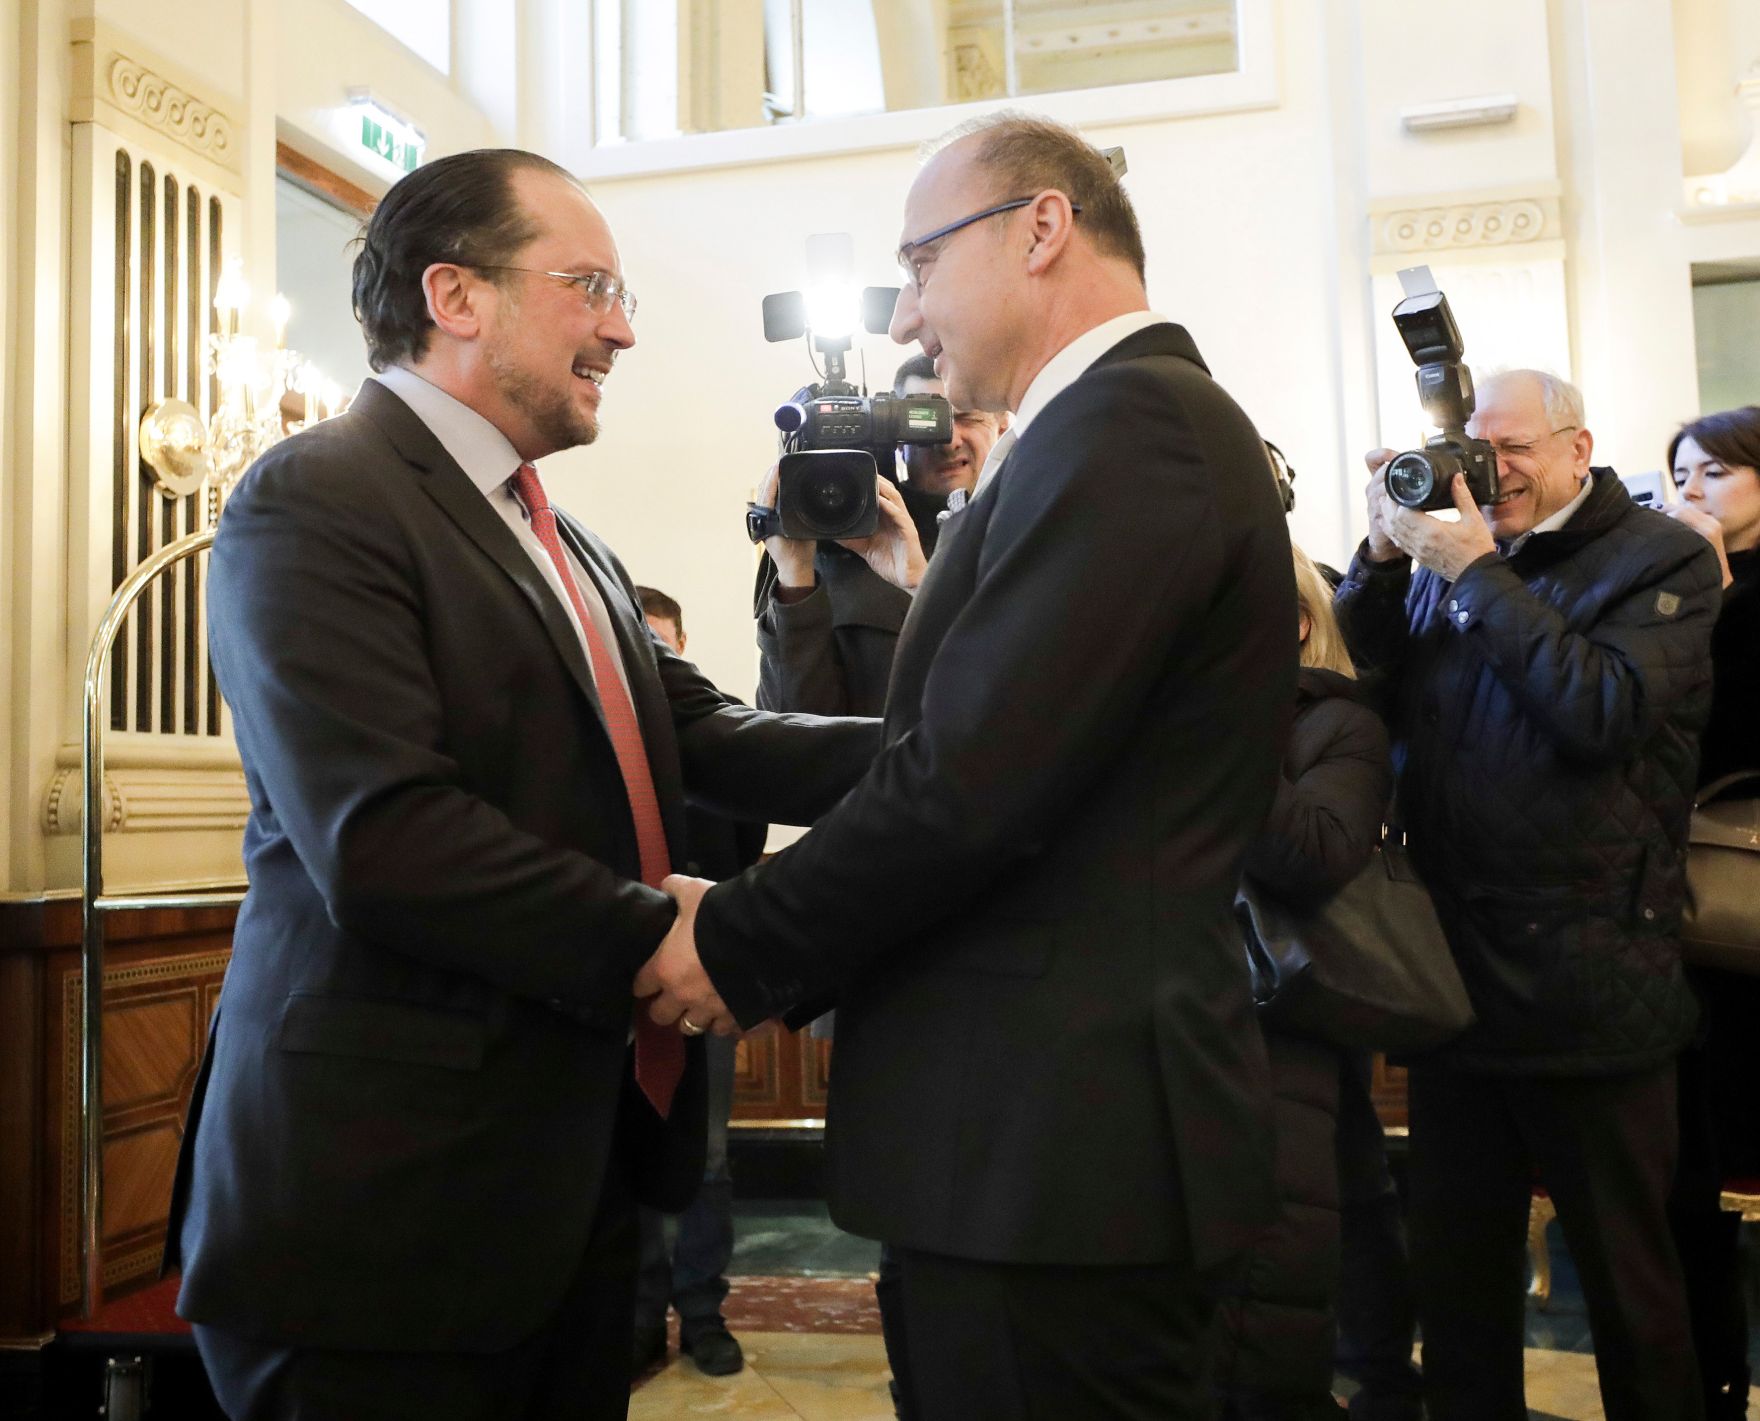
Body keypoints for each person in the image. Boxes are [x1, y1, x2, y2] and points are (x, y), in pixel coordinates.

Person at [164, 148, 878, 1421]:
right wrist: (674, 935)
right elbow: (384, 837)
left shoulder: (567, 541)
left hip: (561, 1184)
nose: (623, 326)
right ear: (456, 295)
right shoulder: (316, 497)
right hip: (381, 1211)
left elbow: (704, 729)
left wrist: (962, 749)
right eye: (592, 284)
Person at [640, 111, 1298, 1419]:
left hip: (1061, 1149)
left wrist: (738, 941)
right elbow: (945, 747)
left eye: (921, 266)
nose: (903, 325)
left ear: (1041, 226)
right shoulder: (1103, 432)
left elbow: (972, 784)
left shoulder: (1134, 429)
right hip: (1029, 1142)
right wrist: (686, 720)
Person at [1334, 368, 1721, 1421]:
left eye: (1510, 449)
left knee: (1627, 1288)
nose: (1486, 471)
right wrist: (1377, 559)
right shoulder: (1447, 559)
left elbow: (1598, 712)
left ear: (1574, 449)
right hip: (1449, 975)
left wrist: (1472, 570)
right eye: (1473, 449)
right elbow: (1354, 673)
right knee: (1458, 1285)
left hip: (1591, 982)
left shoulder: (1661, 556)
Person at [1216, 545, 1393, 1421]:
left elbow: (1314, 852)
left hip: (1283, 1026)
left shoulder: (1339, 723)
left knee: (1271, 1293)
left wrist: (1214, 716)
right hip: (1167, 1018)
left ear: (1292, 623)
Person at [628, 587, 766, 1380]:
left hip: (703, 981)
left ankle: (704, 1313)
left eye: (663, 646)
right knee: (630, 1148)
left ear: (682, 648)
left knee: (708, 1156)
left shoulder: (723, 734)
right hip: (619, 984)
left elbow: (743, 855)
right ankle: (642, 1312)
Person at [1662, 406, 1760, 1418]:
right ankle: (1711, 1385)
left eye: (1716, 475)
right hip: (1697, 937)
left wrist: (1716, 600)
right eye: (1680, 475)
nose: (1691, 491)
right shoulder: (1673, 595)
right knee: (1693, 1186)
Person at [754, 352, 1005, 717]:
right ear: (897, 436)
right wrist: (795, 580)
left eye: (965, 418)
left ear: (1002, 425)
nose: (948, 441)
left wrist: (923, 585)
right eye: (927, 422)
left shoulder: (1028, 530)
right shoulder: (836, 547)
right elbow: (793, 728)